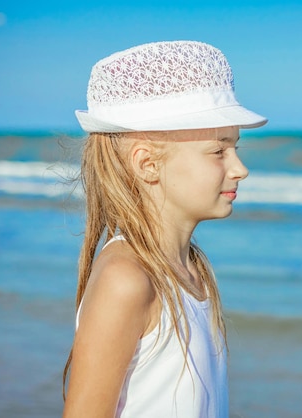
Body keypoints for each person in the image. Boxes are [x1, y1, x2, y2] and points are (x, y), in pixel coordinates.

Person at [62, 40, 267, 418]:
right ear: (147, 164)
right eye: (219, 151)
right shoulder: (127, 279)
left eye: (236, 148)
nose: (240, 168)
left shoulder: (193, 270)